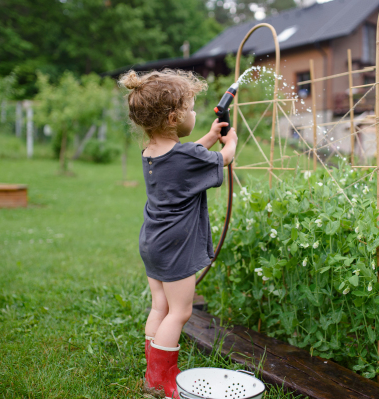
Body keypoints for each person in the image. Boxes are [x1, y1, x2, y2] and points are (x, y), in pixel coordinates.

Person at [118, 69, 237, 399]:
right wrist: (231, 143)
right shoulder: (185, 156)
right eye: (190, 109)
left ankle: (154, 371)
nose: (195, 115)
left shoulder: (152, 153)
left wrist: (210, 136)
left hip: (153, 243)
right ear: (173, 118)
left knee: (160, 307)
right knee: (180, 312)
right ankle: (160, 382)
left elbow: (188, 158)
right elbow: (222, 159)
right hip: (176, 248)